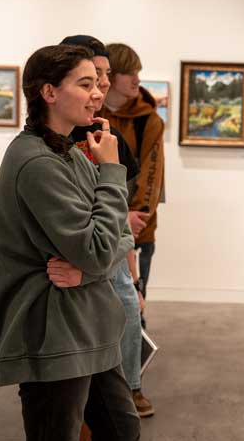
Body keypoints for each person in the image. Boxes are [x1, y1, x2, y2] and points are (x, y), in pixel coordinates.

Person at [0, 44, 139, 440]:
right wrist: (110, 168)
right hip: (54, 336)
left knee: (123, 432)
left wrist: (86, 274)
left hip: (89, 326)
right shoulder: (37, 162)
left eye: (98, 83)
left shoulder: (70, 153)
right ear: (49, 92)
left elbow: (121, 236)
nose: (98, 93)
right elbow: (100, 249)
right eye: (85, 83)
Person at [60, 34, 154, 418]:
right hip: (80, 250)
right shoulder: (47, 147)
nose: (99, 87)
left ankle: (127, 388)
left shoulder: (105, 131)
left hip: (106, 244)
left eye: (103, 76)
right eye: (90, 79)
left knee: (128, 309)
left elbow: (132, 183)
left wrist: (129, 260)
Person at [99, 43, 165, 304]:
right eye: (131, 73)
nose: (138, 79)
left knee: (135, 304)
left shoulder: (148, 120)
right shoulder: (91, 114)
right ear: (112, 76)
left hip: (139, 227)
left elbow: (152, 175)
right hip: (101, 225)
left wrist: (136, 218)